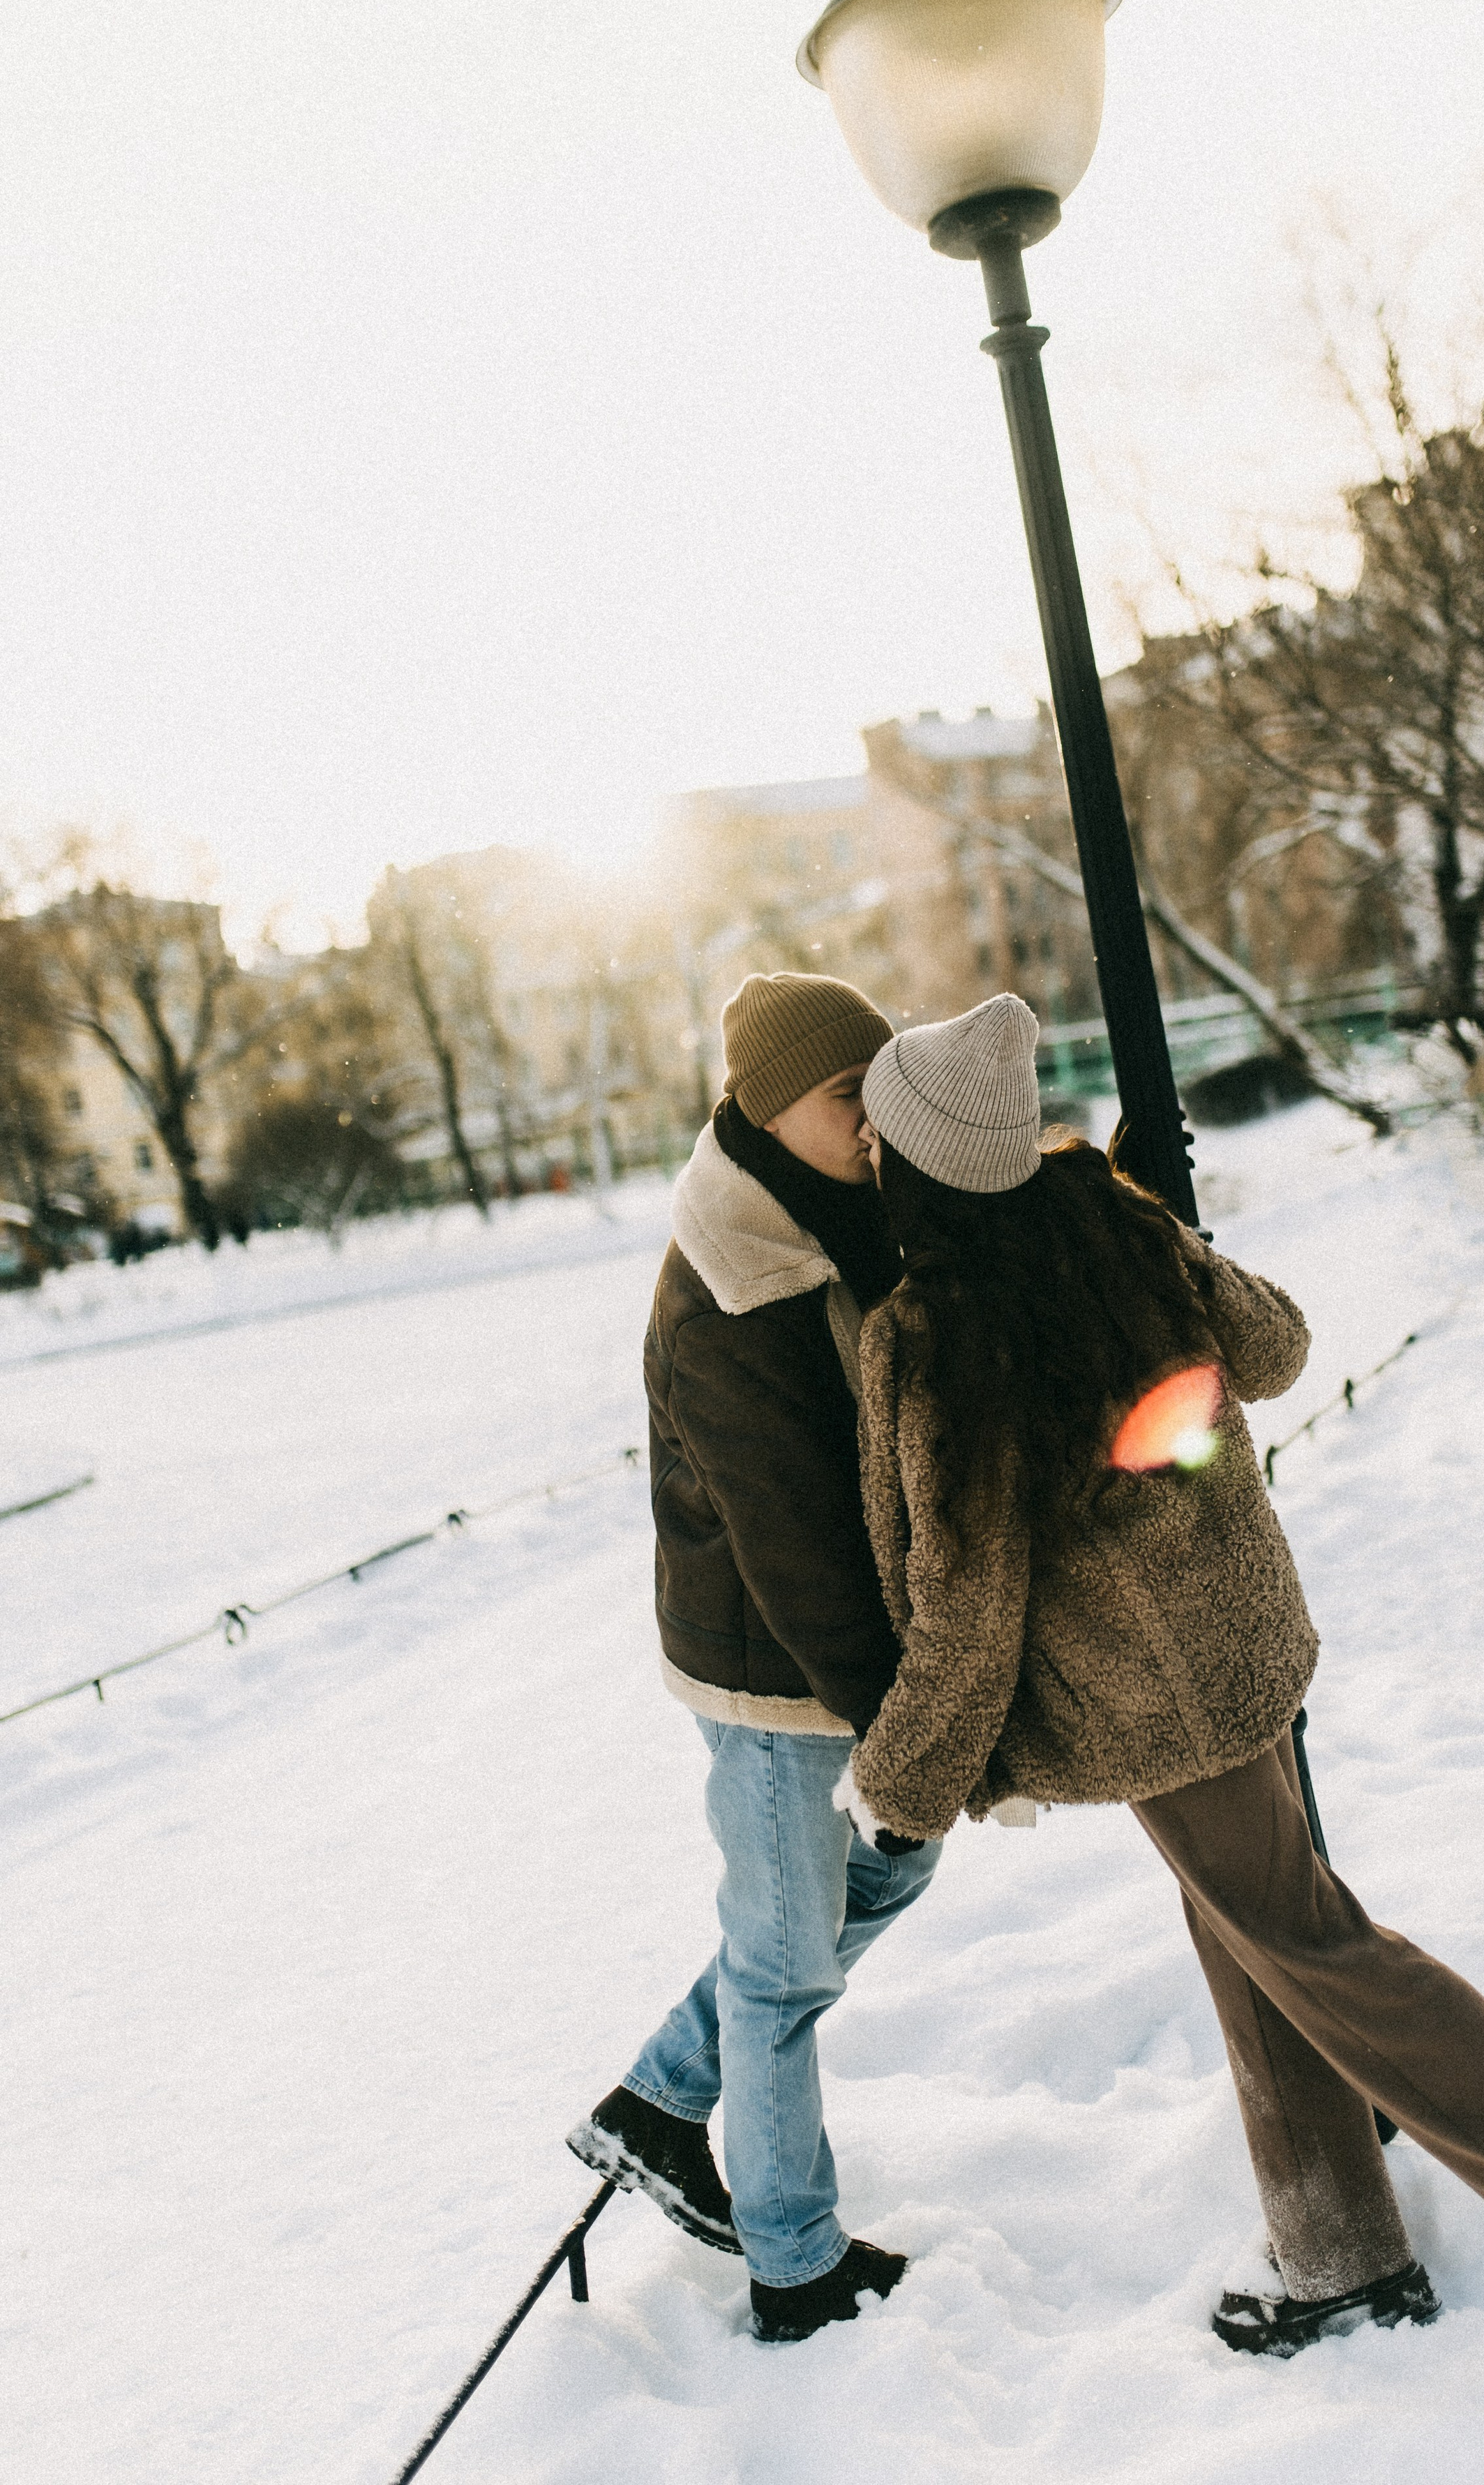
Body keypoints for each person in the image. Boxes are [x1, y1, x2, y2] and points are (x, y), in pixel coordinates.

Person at [836, 990, 1484, 2359]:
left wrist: (902, 1782)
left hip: (1150, 1698)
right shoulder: (1105, 1223)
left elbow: (967, 1598)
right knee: (1256, 1936)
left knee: (1307, 1938)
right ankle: (1340, 2254)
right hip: (1234, 1648)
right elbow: (1275, 1346)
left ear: (924, 1165)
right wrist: (1159, 1229)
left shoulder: (936, 1329)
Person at [569, 972, 943, 2345]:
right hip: (768, 1668)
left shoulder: (834, 1213)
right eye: (848, 1093)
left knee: (876, 1877)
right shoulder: (727, 1291)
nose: (870, 1117)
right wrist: (899, 1719)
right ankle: (793, 2269)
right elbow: (793, 1543)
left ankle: (659, 2100)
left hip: (822, 1656)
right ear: (766, 1101)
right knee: (783, 1971)